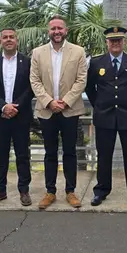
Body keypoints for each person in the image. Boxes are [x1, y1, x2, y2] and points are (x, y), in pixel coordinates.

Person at [86, 26, 127, 207]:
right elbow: (90, 88)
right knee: (104, 155)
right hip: (104, 116)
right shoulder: (97, 63)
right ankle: (101, 191)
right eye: (112, 40)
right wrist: (99, 104)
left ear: (123, 42)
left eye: (118, 40)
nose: (115, 43)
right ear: (107, 42)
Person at [29, 15, 88, 210]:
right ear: (49, 31)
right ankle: (50, 191)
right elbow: (35, 81)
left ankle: (70, 191)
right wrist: (49, 102)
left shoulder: (78, 52)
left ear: (66, 30)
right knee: (50, 153)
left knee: (70, 152)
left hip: (70, 110)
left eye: (60, 28)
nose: (56, 32)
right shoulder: (37, 53)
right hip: (47, 111)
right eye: (53, 28)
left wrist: (65, 102)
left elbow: (81, 80)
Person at [0, 28, 34, 206]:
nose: (8, 40)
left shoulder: (27, 62)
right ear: (0, 41)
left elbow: (31, 87)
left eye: (12, 37)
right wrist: (4, 106)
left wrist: (15, 107)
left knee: (22, 155)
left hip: (21, 116)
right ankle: (0, 190)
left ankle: (24, 190)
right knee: (1, 155)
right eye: (5, 37)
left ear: (17, 40)